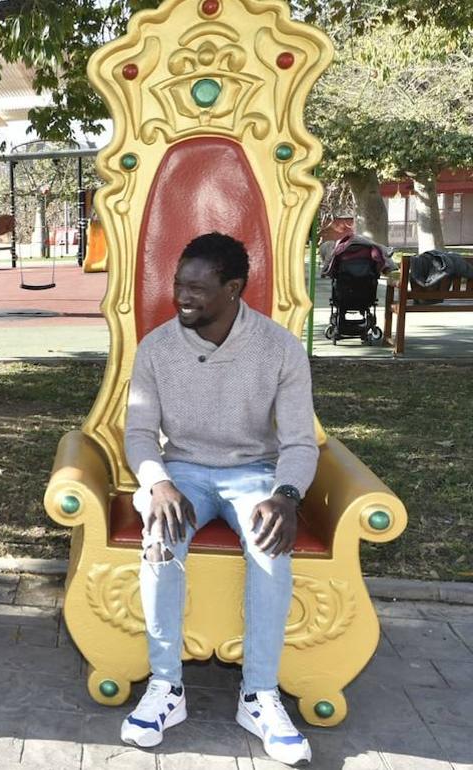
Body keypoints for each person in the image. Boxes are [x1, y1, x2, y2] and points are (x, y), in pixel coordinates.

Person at [120, 232, 318, 766]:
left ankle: (259, 695)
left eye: (197, 288)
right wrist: (157, 480)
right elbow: (138, 433)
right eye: (178, 284)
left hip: (253, 471)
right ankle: (167, 688)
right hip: (181, 469)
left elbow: (299, 442)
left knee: (270, 541)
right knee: (160, 537)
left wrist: (286, 494)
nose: (181, 296)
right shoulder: (157, 347)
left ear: (233, 289)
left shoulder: (279, 347)